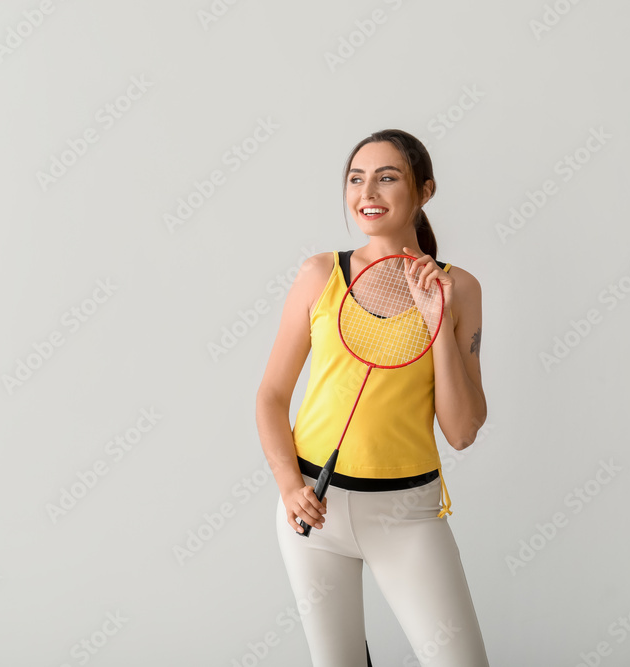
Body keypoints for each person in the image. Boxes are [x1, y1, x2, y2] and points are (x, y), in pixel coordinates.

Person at [255, 129, 490, 666]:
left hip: (408, 514)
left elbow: (462, 432)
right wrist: (290, 487)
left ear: (424, 190)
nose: (368, 193)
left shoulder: (461, 289)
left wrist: (436, 322)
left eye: (387, 178)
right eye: (356, 179)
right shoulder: (319, 274)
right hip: (313, 511)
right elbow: (270, 395)